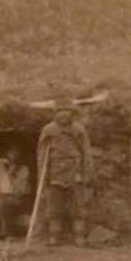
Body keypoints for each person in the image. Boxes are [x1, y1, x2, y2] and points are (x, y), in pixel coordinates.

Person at [37, 103, 94, 246]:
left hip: (75, 170)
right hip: (55, 172)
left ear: (72, 112)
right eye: (60, 111)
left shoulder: (78, 129)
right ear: (55, 113)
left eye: (66, 110)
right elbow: (42, 154)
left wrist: (87, 173)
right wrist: (42, 178)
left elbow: (86, 152)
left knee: (78, 205)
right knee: (54, 206)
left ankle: (80, 237)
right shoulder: (49, 130)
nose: (64, 114)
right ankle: (54, 237)